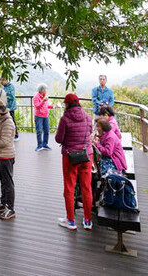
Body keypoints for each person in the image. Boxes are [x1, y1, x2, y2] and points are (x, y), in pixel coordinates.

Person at [55, 93, 93, 231]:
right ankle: (88, 221)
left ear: (67, 104)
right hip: (87, 155)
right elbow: (90, 132)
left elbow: (59, 139)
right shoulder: (88, 117)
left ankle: (71, 221)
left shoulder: (65, 119)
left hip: (70, 157)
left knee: (70, 188)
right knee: (86, 187)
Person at [33, 84, 53, 152]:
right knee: (39, 131)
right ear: (42, 90)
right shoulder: (36, 97)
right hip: (38, 116)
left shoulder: (45, 97)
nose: (46, 91)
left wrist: (53, 106)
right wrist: (43, 101)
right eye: (45, 89)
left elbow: (46, 106)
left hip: (45, 116)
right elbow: (37, 106)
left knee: (47, 131)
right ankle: (39, 146)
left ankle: (45, 144)